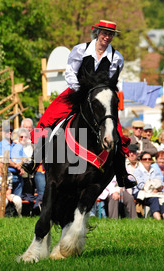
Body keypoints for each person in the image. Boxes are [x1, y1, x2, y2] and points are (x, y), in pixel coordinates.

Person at [25, 20, 135, 188]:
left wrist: (100, 95)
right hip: (76, 92)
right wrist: (81, 91)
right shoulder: (80, 50)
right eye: (104, 33)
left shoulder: (117, 57)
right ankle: (35, 160)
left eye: (110, 34)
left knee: (117, 132)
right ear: (98, 33)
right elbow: (70, 73)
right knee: (47, 119)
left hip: (100, 97)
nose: (107, 37)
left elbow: (111, 81)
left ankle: (122, 174)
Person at [133, 151, 164, 220]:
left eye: (149, 159)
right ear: (141, 160)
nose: (147, 161)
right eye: (145, 159)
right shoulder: (137, 171)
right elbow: (141, 186)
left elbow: (160, 184)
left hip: (155, 192)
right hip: (141, 193)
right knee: (154, 199)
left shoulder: (155, 170)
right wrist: (153, 188)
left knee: (162, 199)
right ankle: (158, 220)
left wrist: (155, 188)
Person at [0, 124, 26, 196]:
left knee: (17, 201)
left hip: (18, 177)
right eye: (7, 131)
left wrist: (20, 165)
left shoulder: (18, 145)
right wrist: (16, 165)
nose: (9, 132)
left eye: (10, 131)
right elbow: (3, 159)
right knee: (7, 201)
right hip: (6, 176)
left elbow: (24, 158)